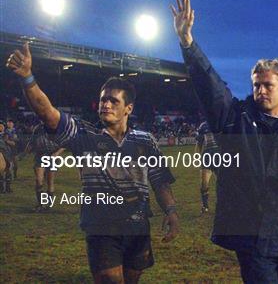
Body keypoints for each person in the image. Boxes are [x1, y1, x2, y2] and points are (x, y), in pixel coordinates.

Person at [171, 0, 278, 283]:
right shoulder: (236, 119)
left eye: (268, 85)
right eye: (256, 85)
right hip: (252, 234)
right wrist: (188, 43)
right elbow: (211, 87)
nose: (260, 91)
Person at [6, 44, 180, 284]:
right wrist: (27, 77)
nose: (105, 105)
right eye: (102, 100)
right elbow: (47, 112)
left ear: (128, 108)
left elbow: (160, 181)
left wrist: (170, 211)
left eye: (113, 101)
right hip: (101, 228)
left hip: (138, 228)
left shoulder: (145, 141)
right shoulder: (84, 136)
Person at [27, 123, 65, 212]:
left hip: (52, 156)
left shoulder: (57, 127)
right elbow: (32, 140)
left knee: (50, 182)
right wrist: (27, 149)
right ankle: (41, 204)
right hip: (40, 156)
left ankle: (48, 205)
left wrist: (57, 153)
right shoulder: (38, 128)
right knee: (38, 181)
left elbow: (64, 143)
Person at [195, 120, 219, 213]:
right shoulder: (203, 126)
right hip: (207, 157)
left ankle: (222, 204)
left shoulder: (221, 122)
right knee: (204, 184)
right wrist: (196, 156)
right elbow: (199, 143)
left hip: (220, 156)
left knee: (222, 183)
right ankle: (205, 206)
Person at [0, 121, 14, 193]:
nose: (0, 127)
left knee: (8, 172)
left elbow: (13, 143)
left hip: (7, 154)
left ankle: (8, 188)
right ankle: (2, 188)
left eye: (2, 125)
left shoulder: (7, 134)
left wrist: (7, 141)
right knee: (1, 174)